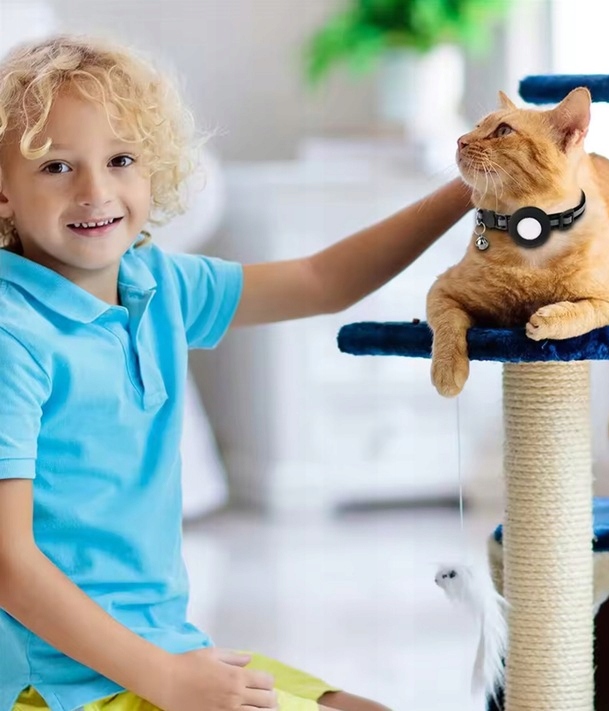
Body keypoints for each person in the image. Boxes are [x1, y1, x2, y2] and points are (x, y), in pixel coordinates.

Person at [0, 34, 472, 711]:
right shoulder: (12, 333)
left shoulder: (157, 283)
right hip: (57, 686)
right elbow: (9, 564)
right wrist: (166, 681)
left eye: (121, 159)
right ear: (3, 192)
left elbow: (322, 280)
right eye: (56, 167)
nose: (95, 191)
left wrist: (468, 190)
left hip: (165, 649)